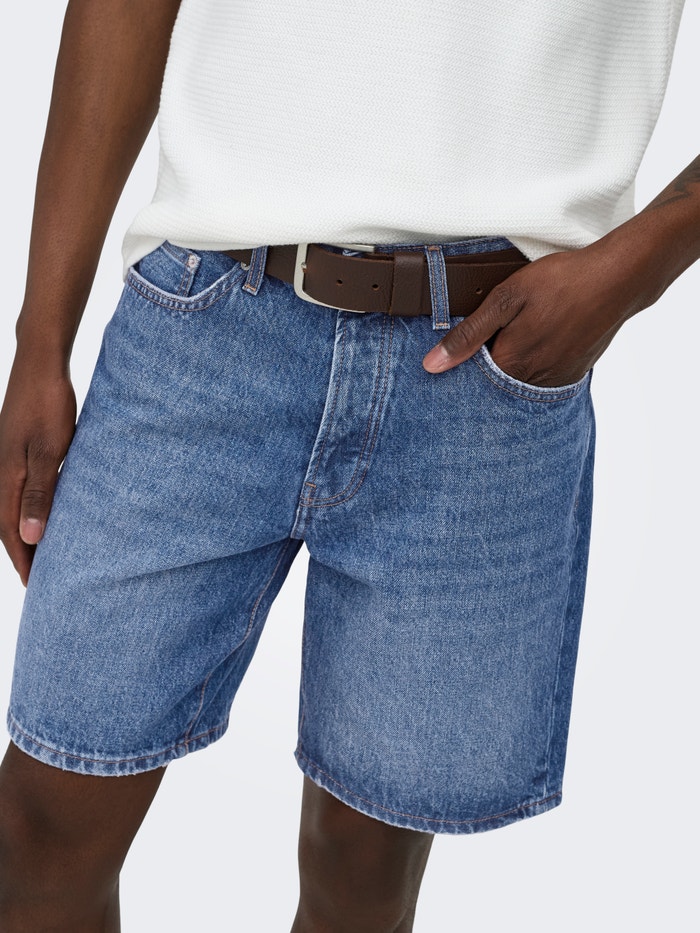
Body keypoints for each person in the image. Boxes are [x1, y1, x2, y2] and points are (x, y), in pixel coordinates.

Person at [0, 1, 696, 930]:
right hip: (206, 324)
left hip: (487, 367)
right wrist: (40, 339)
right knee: (41, 822)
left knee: (360, 875)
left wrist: (641, 262)